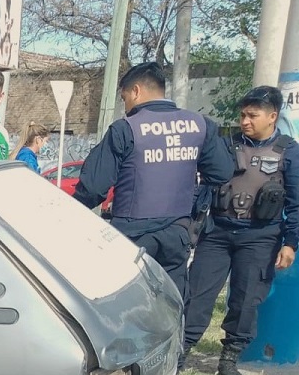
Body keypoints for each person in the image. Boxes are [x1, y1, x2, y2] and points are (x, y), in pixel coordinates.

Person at [72, 61, 233, 301]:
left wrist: (71, 211)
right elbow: (222, 172)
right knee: (170, 303)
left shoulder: (125, 129)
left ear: (136, 91)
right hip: (177, 233)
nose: (125, 106)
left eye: (124, 97)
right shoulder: (200, 125)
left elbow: (94, 187)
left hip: (132, 236)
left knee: (127, 304)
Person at [179, 86, 298, 375]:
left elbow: (296, 203)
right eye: (243, 114)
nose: (245, 121)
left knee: (246, 301)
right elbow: (201, 186)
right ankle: (180, 352)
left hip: (260, 236)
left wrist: (290, 243)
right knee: (197, 295)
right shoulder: (225, 145)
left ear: (273, 116)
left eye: (252, 115)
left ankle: (229, 359)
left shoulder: (289, 151)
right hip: (217, 231)